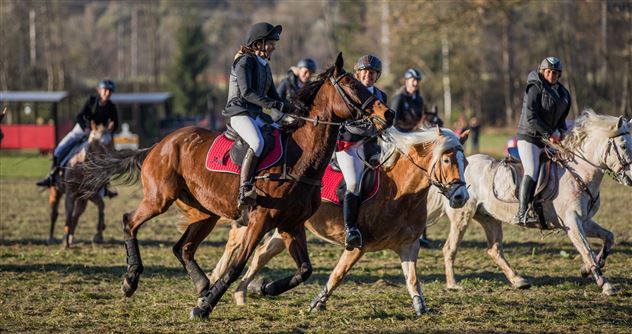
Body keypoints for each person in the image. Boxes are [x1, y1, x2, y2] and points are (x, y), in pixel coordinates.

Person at [222, 22, 298, 210]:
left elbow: (275, 96)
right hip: (239, 112)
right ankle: (244, 189)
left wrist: (295, 109)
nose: (274, 46)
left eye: (274, 42)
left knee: (282, 134)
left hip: (255, 114)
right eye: (271, 42)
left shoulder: (264, 66)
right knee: (258, 143)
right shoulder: (244, 62)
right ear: (258, 44)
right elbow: (247, 93)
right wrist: (274, 105)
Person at [337, 54, 388, 250]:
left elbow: (385, 124)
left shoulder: (381, 97)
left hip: (371, 147)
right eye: (365, 71)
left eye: (373, 72)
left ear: (377, 76)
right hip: (348, 145)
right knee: (353, 182)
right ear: (358, 74)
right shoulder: (349, 93)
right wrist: (372, 129)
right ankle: (350, 229)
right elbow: (347, 125)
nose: (368, 75)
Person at [514, 56, 571, 225]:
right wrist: (550, 133)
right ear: (542, 72)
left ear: (559, 75)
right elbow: (531, 117)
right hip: (529, 137)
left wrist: (562, 133)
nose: (552, 75)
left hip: (548, 139)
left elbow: (561, 119)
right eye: (549, 72)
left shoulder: (563, 94)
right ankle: (522, 212)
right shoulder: (534, 88)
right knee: (532, 170)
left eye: (555, 73)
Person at [36, 79, 119, 193]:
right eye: (105, 90)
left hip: (97, 135)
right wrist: (85, 127)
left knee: (107, 156)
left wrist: (107, 131)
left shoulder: (111, 106)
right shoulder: (91, 100)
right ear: (99, 90)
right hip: (81, 130)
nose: (107, 93)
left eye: (110, 91)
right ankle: (52, 176)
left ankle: (104, 185)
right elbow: (79, 116)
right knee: (59, 150)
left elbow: (116, 124)